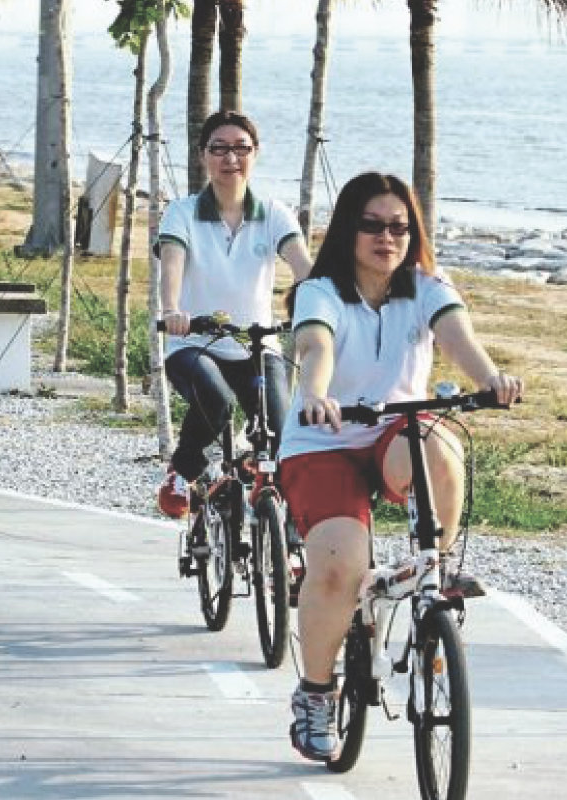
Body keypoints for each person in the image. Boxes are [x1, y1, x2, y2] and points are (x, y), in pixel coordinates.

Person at [278, 172, 523, 762]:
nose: (386, 237)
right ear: (348, 229)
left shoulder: (427, 285)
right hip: (323, 439)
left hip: (393, 432)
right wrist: (316, 393)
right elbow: (316, 345)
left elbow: (457, 337)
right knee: (339, 567)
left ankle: (437, 567)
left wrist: (489, 378)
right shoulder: (321, 290)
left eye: (398, 227)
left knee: (439, 439)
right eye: (372, 225)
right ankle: (316, 693)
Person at [154, 110, 313, 518]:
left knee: (280, 433)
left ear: (255, 153)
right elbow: (171, 263)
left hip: (256, 346)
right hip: (194, 343)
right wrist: (172, 310)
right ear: (203, 155)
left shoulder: (273, 213)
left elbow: (303, 267)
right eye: (219, 148)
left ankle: (275, 522)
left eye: (241, 148)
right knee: (215, 399)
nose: (230, 158)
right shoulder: (182, 213)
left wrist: (322, 304)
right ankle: (182, 471)